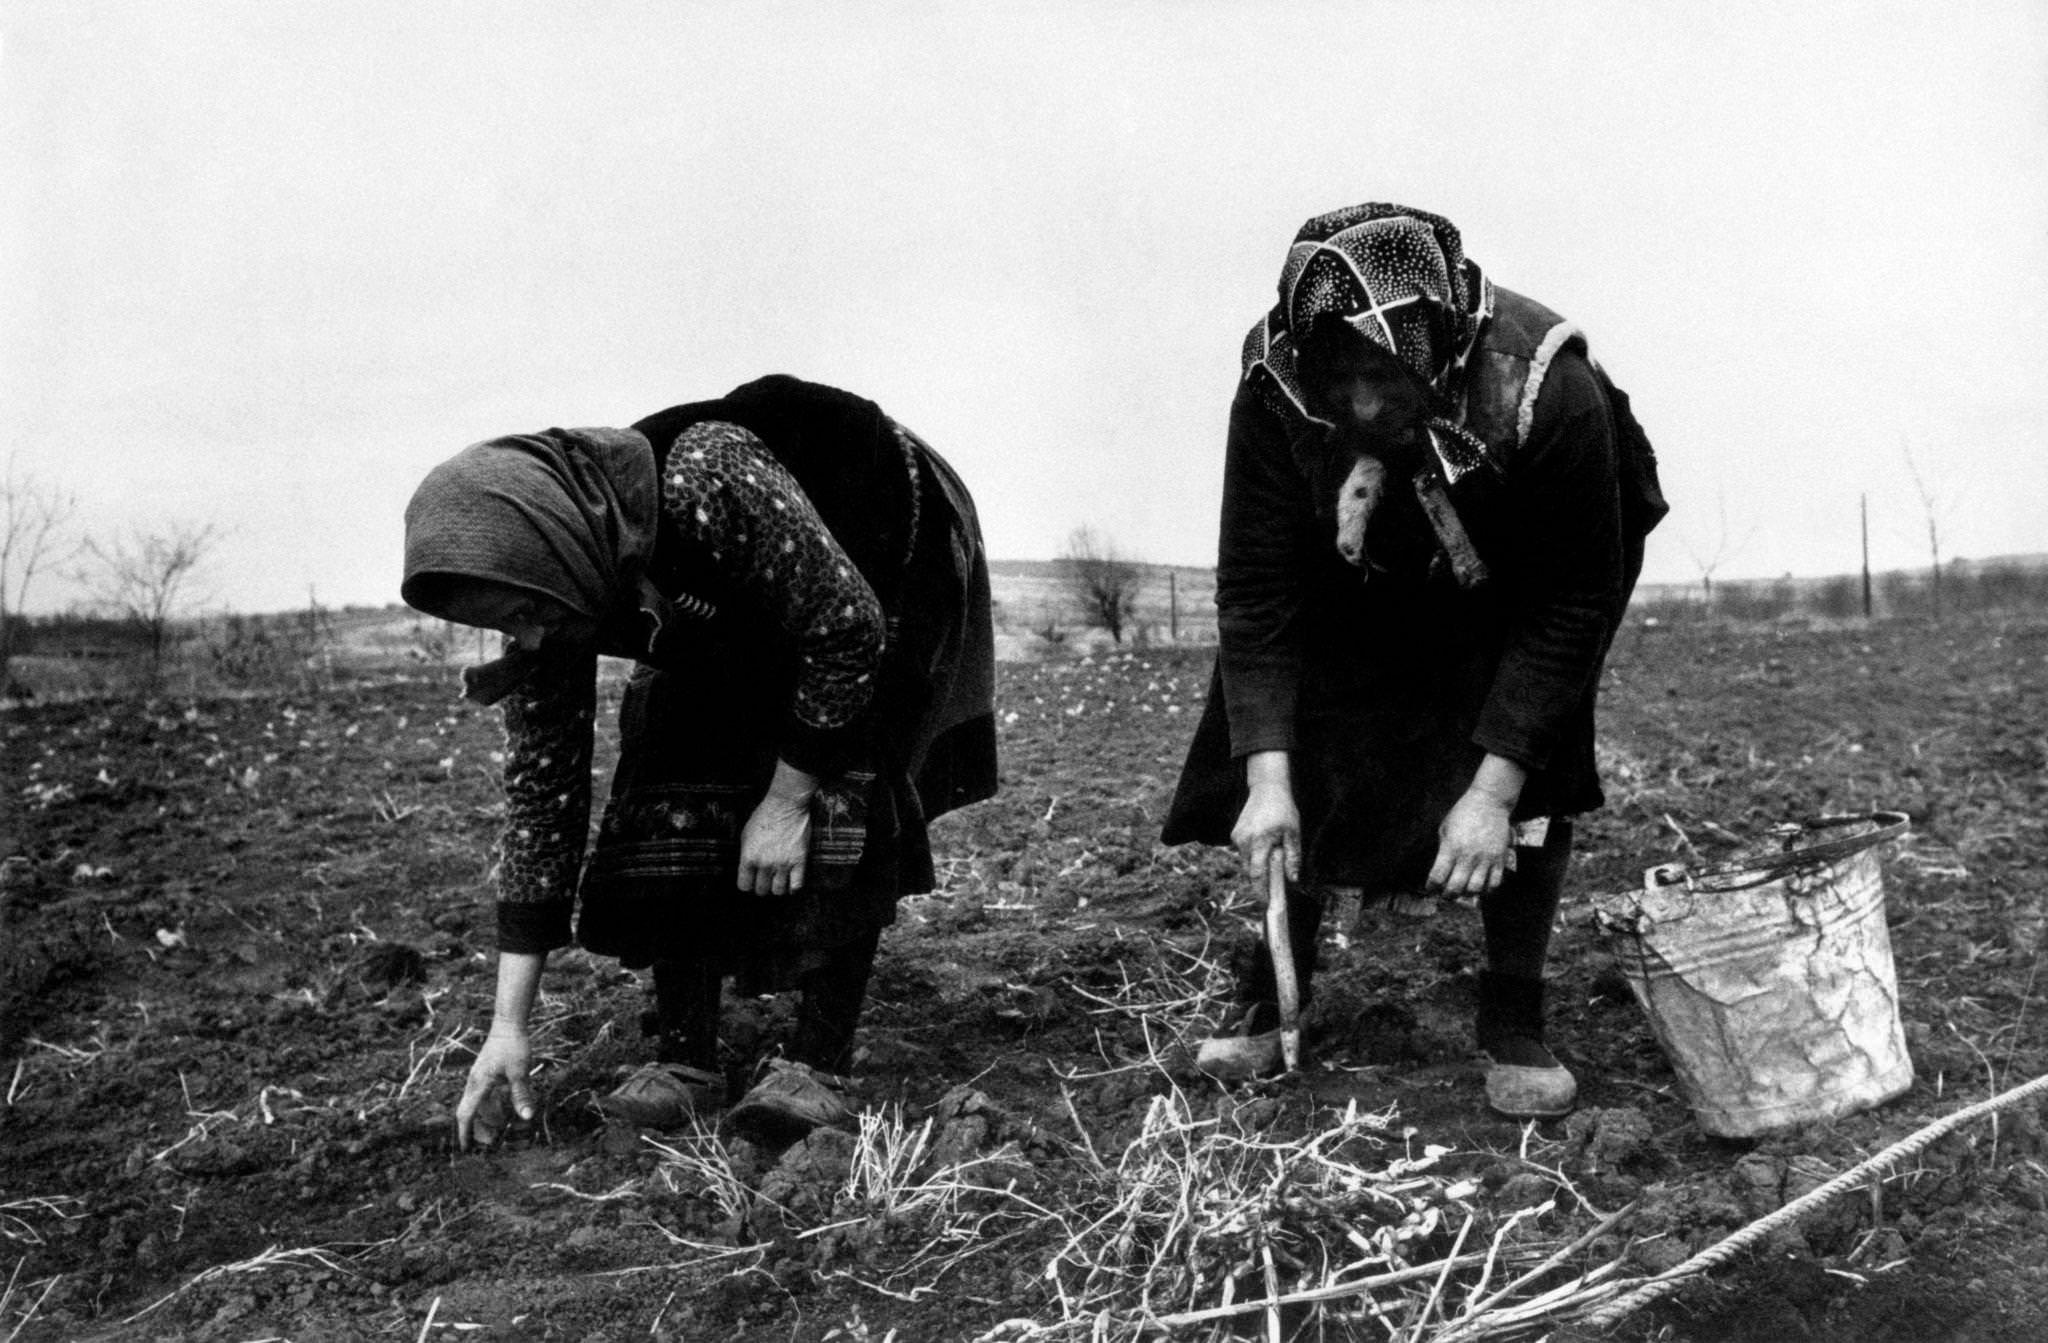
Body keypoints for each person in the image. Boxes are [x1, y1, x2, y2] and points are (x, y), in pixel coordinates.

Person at [402, 374, 996, 1148]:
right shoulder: (550, 587)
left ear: (547, 542)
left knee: (841, 768)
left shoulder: (703, 479)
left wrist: (785, 800)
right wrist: (507, 1026)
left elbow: (845, 633)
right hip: (739, 602)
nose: (533, 636)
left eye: (526, 615)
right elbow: (541, 806)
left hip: (882, 552)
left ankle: (819, 1061)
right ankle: (687, 1058)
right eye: (510, 624)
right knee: (664, 741)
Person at [1162, 203, 1665, 1119]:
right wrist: (1266, 781)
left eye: (1382, 378)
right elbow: (1258, 589)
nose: (1357, 405)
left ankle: (1514, 1007)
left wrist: (1492, 794)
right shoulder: (1276, 386)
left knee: (1528, 734)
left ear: (1431, 343)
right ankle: (1274, 980)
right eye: (1338, 379)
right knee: (1307, 707)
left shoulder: (1547, 388)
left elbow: (1567, 608)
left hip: (1526, 568)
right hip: (1356, 545)